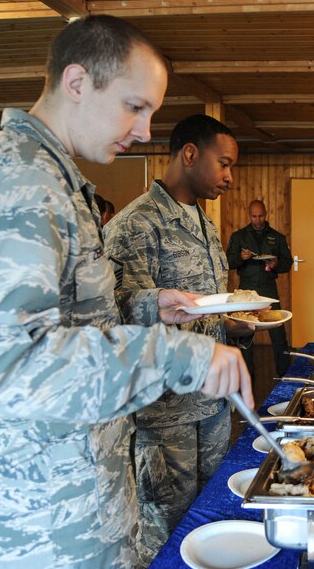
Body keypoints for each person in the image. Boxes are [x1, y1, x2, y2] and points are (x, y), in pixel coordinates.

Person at [0, 15, 252, 569]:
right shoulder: (18, 184)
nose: (147, 131)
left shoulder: (52, 180)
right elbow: (9, 364)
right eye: (135, 106)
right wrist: (177, 352)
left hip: (73, 488)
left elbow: (70, 321)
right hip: (38, 512)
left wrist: (151, 307)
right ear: (77, 83)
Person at [103, 115, 253, 566]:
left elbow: (198, 309)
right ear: (190, 154)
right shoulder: (136, 225)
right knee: (166, 531)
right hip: (164, 414)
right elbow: (116, 318)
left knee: (210, 519)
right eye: (223, 163)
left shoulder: (205, 225)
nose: (228, 176)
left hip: (211, 405)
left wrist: (231, 324)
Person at [227, 199, 294, 374]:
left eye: (260, 216)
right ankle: (247, 377)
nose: (257, 220)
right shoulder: (239, 236)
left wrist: (276, 264)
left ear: (266, 214)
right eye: (254, 216)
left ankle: (284, 376)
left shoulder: (277, 237)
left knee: (279, 335)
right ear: (249, 215)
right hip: (246, 292)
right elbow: (228, 262)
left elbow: (288, 263)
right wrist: (241, 257)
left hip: (268, 289)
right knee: (245, 336)